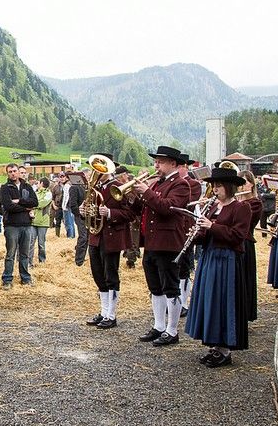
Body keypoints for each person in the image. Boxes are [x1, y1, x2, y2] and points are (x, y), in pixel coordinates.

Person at [184, 167, 252, 368]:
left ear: (229, 187)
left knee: (223, 302)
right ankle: (214, 345)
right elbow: (207, 235)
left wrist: (212, 226)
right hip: (210, 258)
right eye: (214, 185)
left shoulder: (241, 207)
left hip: (226, 260)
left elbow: (238, 236)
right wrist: (197, 234)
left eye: (219, 185)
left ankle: (225, 349)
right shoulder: (213, 207)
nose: (215, 189)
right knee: (210, 301)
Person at [132, 146, 191, 347]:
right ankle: (158, 326)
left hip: (168, 243)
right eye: (155, 161)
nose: (156, 165)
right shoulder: (158, 183)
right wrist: (133, 196)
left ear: (173, 164)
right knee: (155, 287)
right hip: (151, 242)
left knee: (170, 287)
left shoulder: (181, 185)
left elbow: (167, 208)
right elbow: (141, 209)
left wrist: (147, 192)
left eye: (160, 162)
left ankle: (172, 330)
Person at [84, 159, 137, 329]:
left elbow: (130, 214)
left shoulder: (119, 186)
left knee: (110, 275)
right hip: (96, 235)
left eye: (99, 169)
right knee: (98, 275)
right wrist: (84, 211)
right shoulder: (94, 188)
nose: (96, 172)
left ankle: (111, 315)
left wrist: (109, 213)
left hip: (112, 236)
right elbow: (90, 212)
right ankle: (104, 311)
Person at [0, 163, 38, 289]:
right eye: (10, 171)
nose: (13, 173)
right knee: (10, 254)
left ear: (18, 171)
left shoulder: (27, 186)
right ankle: (7, 279)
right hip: (12, 225)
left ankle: (25, 278)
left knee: (25, 254)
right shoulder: (5, 188)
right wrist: (26, 208)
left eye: (14, 171)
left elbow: (35, 202)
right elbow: (8, 206)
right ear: (7, 173)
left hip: (26, 224)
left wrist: (19, 201)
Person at [175, 155, 203, 318]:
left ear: (185, 167)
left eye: (179, 166)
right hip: (172, 231)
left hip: (186, 229)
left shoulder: (194, 184)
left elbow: (186, 204)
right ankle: (174, 301)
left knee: (184, 267)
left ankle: (184, 303)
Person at [237, 170, 263, 321]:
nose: (241, 187)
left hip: (245, 244)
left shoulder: (255, 203)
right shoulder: (235, 201)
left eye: (244, 183)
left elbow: (244, 221)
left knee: (245, 279)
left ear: (252, 184)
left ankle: (244, 314)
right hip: (234, 243)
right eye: (239, 184)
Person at [31, 177, 54, 265]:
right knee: (31, 243)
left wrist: (34, 204)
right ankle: (29, 262)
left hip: (43, 222)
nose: (36, 184)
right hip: (33, 221)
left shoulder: (48, 194)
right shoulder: (35, 193)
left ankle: (42, 261)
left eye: (38, 183)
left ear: (41, 183)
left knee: (41, 243)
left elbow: (42, 203)